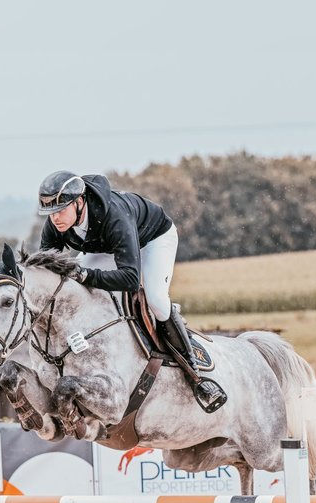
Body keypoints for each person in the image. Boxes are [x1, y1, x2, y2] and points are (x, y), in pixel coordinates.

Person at [36, 170, 226, 413]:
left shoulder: (114, 217)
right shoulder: (56, 224)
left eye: (61, 210)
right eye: (50, 213)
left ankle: (194, 371)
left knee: (156, 299)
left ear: (79, 202)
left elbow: (130, 279)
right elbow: (46, 270)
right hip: (107, 245)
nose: (55, 219)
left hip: (153, 240)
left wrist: (87, 275)